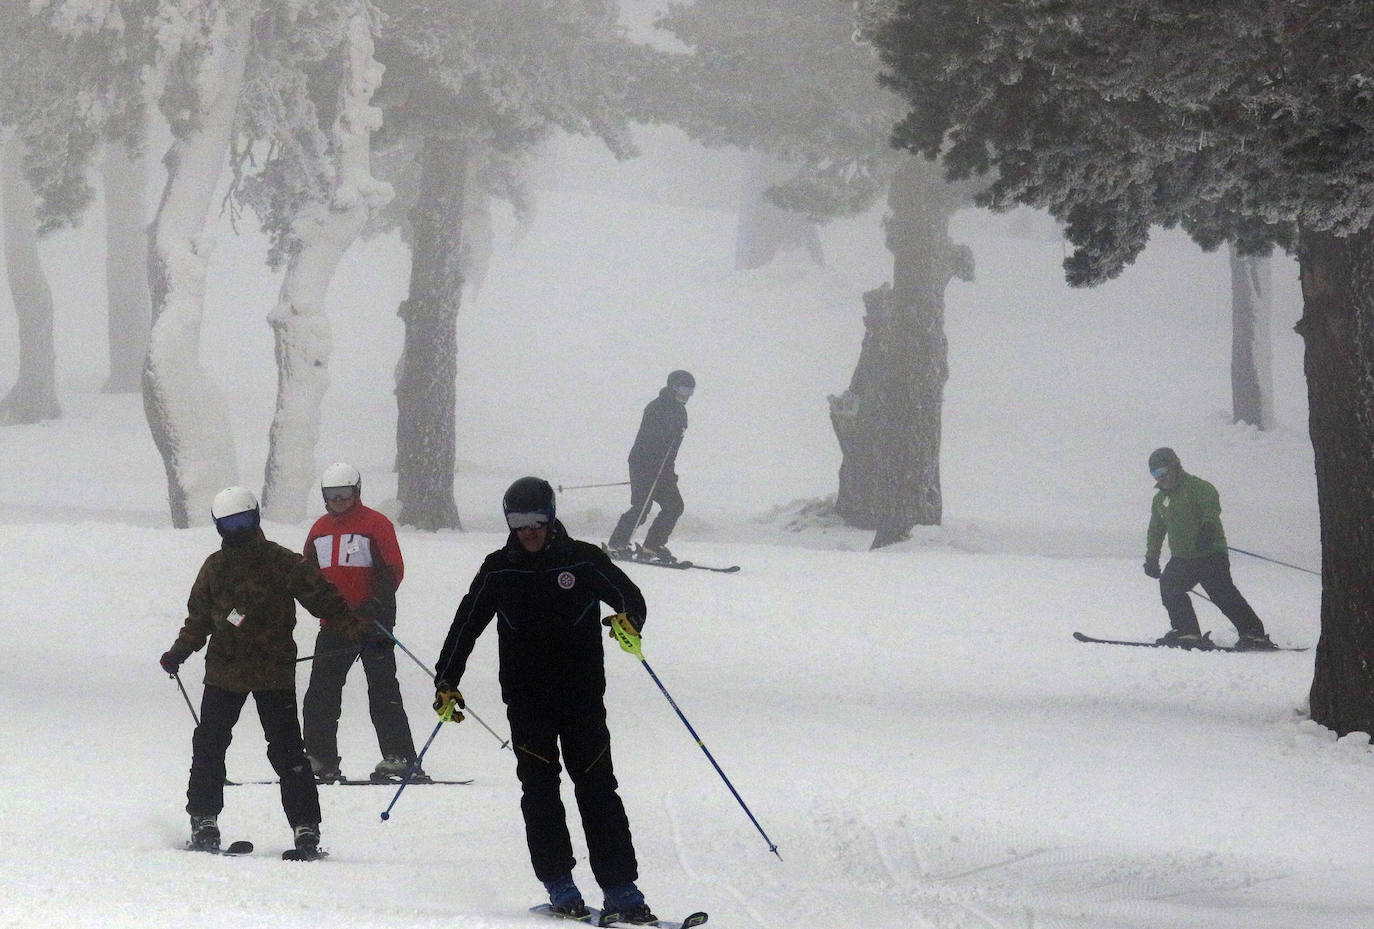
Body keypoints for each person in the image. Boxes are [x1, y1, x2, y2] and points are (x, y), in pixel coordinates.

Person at [434, 477, 658, 923]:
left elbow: (630, 597)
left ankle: (622, 890)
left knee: (597, 789)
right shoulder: (499, 568)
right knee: (540, 791)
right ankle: (560, 885)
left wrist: (629, 621)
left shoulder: (583, 560)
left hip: (581, 699)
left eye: (536, 520)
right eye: (517, 522)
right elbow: (466, 625)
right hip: (526, 701)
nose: (528, 530)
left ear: (551, 516)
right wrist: (446, 680)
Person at [159, 486, 361, 857]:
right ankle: (204, 818)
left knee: (287, 752)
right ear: (219, 527)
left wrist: (359, 631)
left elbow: (324, 600)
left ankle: (306, 828)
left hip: (273, 673)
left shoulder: (284, 563)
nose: (237, 531)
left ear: (255, 519)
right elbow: (198, 619)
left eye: (243, 522)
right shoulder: (215, 568)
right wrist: (179, 652)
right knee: (209, 745)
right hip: (224, 673)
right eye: (229, 524)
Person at [301, 462, 426, 784]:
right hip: (336, 623)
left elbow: (392, 568)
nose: (338, 500)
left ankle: (400, 757)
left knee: (383, 689)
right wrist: (320, 606)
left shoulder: (376, 524)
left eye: (344, 494)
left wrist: (377, 603)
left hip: (373, 621)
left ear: (356, 492)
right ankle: (319, 758)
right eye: (332, 495)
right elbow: (308, 576)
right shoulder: (319, 529)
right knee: (321, 693)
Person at [1143, 447, 1277, 650]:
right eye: (1154, 474)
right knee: (1170, 587)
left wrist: (1207, 530)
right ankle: (1187, 632)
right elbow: (1156, 530)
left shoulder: (1199, 488)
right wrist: (1151, 558)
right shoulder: (1160, 500)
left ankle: (1253, 633)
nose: (1159, 478)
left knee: (1221, 593)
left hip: (1209, 554)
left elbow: (1211, 510)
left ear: (1175, 467)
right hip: (1183, 558)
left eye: (1162, 472)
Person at [606, 369, 694, 562]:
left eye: (690, 390)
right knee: (642, 506)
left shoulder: (680, 411)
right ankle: (616, 544)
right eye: (683, 389)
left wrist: (668, 472)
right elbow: (649, 440)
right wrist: (653, 467)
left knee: (674, 506)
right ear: (672, 386)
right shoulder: (657, 407)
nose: (686, 394)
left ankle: (652, 546)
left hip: (663, 469)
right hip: (643, 464)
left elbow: (672, 448)